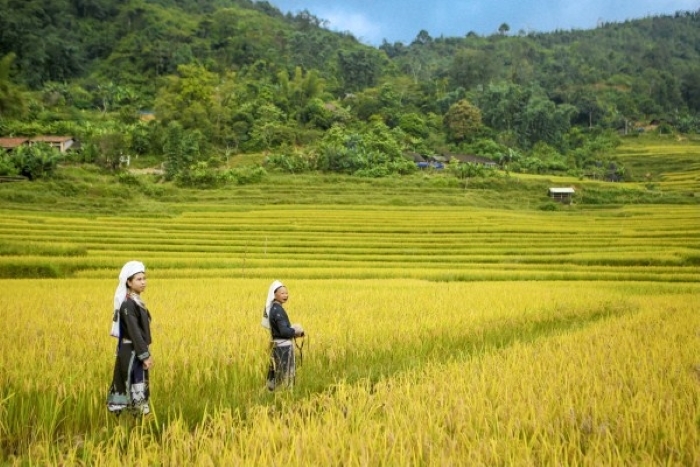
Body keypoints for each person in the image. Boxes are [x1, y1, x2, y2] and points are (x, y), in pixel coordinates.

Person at [107, 260, 154, 416]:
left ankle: (134, 426)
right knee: (130, 387)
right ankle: (126, 426)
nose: (143, 282)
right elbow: (134, 332)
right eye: (139, 279)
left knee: (135, 388)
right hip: (131, 354)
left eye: (144, 278)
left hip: (135, 352)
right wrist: (145, 355)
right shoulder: (128, 305)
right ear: (128, 282)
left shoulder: (136, 302)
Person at [261, 280, 304, 391]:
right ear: (274, 295)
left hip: (277, 346)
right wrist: (295, 332)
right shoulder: (278, 310)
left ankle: (275, 395)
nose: (285, 295)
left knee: (277, 376)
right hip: (283, 348)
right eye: (282, 293)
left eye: (286, 293)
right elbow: (284, 331)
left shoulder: (274, 309)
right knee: (284, 377)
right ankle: (283, 397)